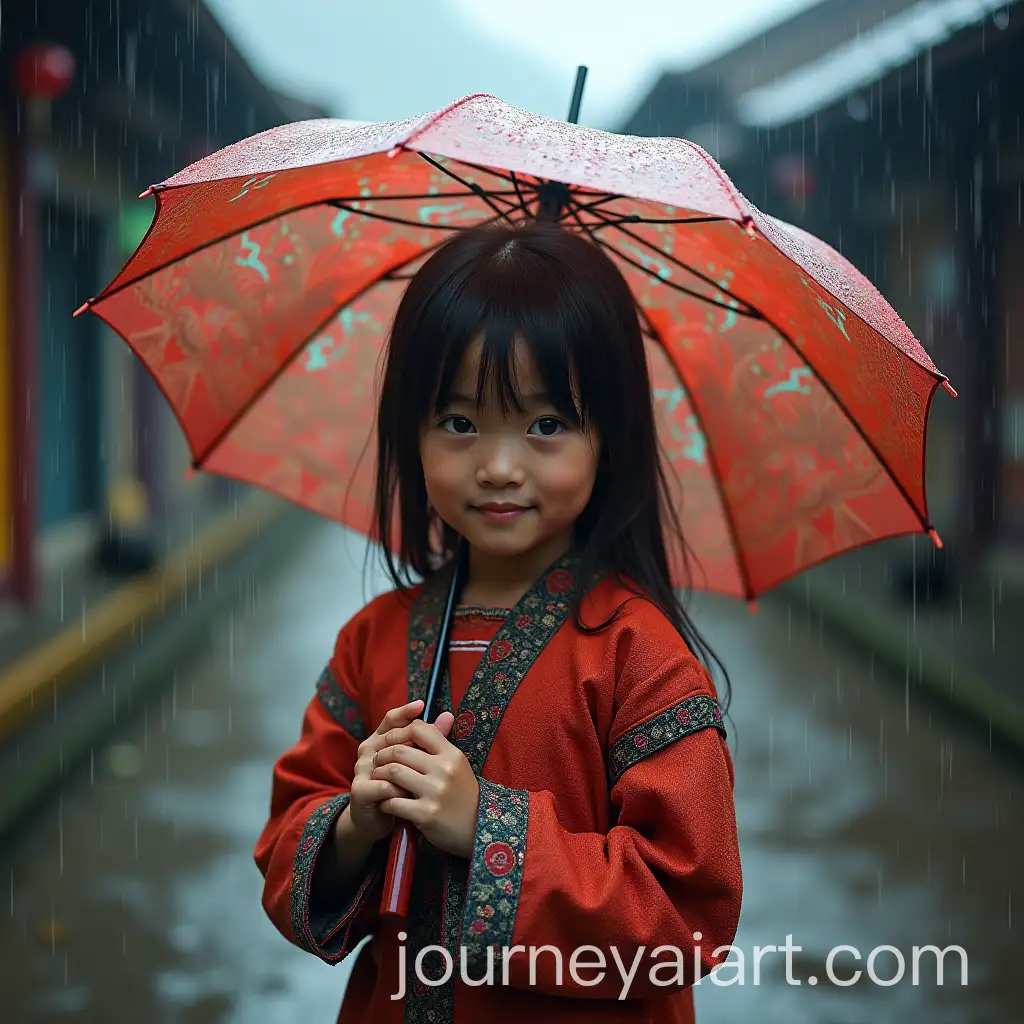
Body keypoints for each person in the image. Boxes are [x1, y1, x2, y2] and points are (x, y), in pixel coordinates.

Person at [254, 221, 743, 1023]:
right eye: (459, 422)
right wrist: (353, 822)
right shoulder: (370, 641)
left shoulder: (641, 657)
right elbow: (286, 841)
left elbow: (688, 913)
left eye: (546, 425)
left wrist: (487, 829)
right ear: (410, 433)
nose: (500, 466)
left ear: (609, 437)